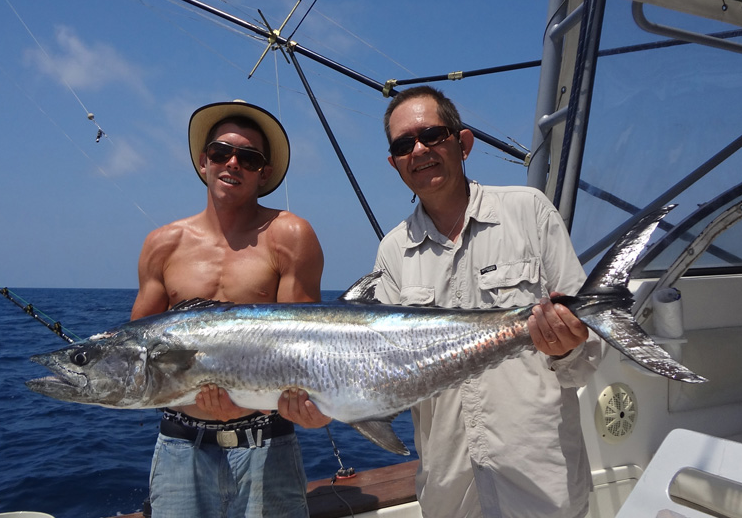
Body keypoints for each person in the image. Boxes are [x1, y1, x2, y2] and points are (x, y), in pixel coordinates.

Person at [372, 85, 603, 518]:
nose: (419, 149)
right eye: (404, 144)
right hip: (449, 496)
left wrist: (567, 345)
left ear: (463, 143)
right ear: (395, 163)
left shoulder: (529, 211)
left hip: (543, 490)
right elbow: (387, 380)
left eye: (432, 135)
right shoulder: (392, 251)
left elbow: (587, 350)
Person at [131, 100, 329, 518]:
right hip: (181, 446)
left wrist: (304, 409)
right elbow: (140, 357)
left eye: (249, 157)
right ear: (204, 162)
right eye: (221, 152)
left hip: (266, 445)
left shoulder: (289, 235)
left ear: (264, 173)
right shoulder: (162, 243)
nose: (232, 163)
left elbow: (306, 350)